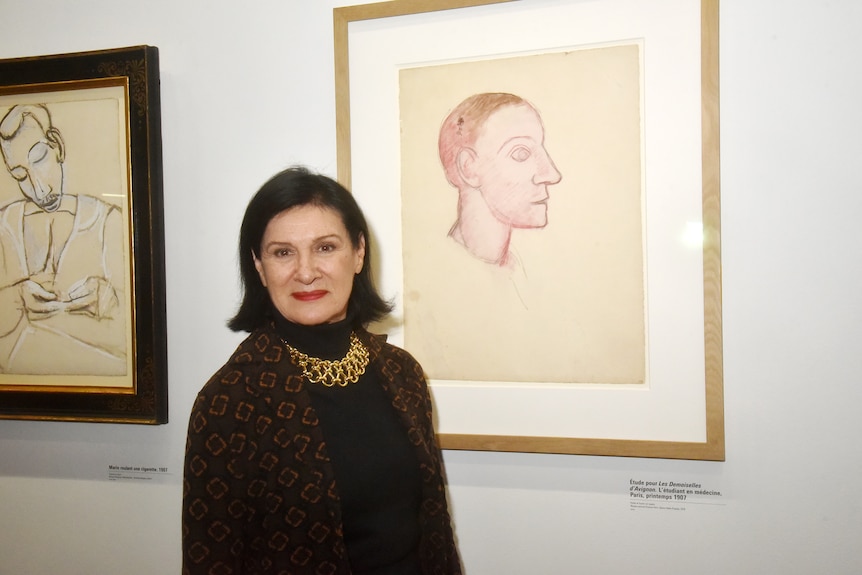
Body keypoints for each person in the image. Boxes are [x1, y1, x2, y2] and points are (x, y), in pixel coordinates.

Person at [182, 167, 462, 575]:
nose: (306, 271)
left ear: (359, 252)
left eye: (325, 247)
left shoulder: (402, 374)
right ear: (259, 267)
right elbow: (210, 562)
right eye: (282, 252)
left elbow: (433, 531)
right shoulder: (229, 401)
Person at [0, 103, 126, 375]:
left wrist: (108, 301)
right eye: (20, 175)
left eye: (39, 159)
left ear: (57, 146)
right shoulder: (4, 228)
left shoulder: (107, 222)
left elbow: (138, 340)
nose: (38, 188)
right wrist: (14, 300)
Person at [437, 92, 562, 268]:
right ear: (469, 168)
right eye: (521, 154)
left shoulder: (515, 271)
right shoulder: (442, 270)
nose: (551, 174)